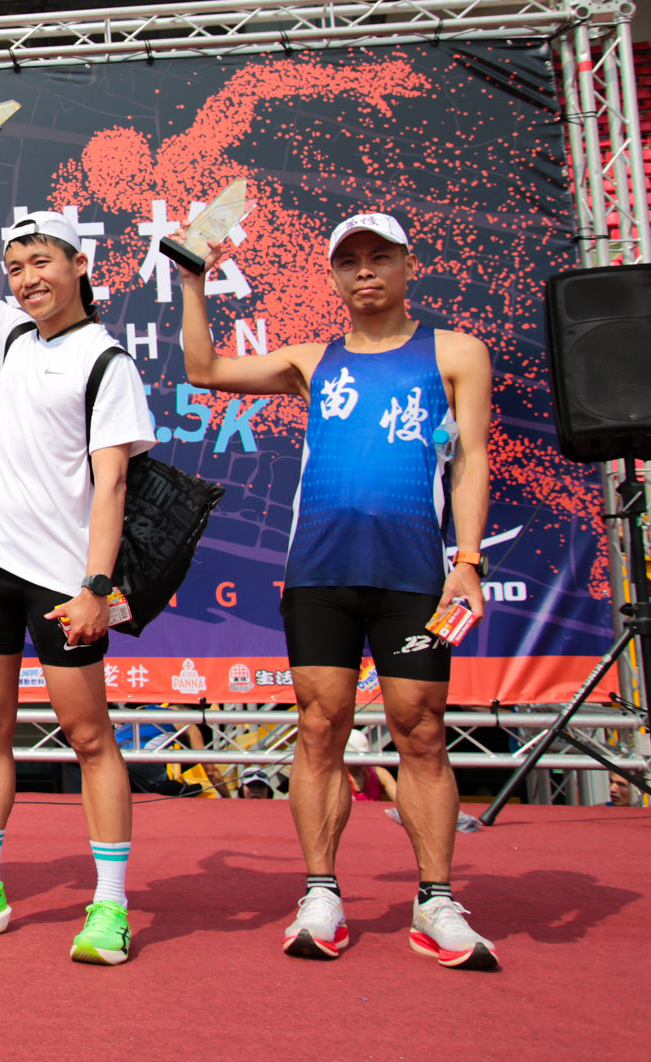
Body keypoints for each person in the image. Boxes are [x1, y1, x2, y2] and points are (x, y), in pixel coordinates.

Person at [176, 211, 498, 970]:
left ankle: (435, 899)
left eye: (379, 257)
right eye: (349, 261)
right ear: (332, 276)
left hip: (413, 575)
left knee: (421, 728)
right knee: (320, 726)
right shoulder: (311, 361)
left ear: (409, 264)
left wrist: (469, 560)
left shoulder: (456, 352)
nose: (365, 271)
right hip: (320, 572)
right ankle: (320, 891)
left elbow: (472, 459)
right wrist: (193, 279)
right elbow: (205, 370)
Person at [0, 127, 157, 965]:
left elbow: (112, 486)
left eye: (41, 261)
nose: (25, 278)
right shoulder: (12, 337)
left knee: (89, 738)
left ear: (79, 265)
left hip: (62, 580)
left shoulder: (108, 362)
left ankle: (110, 903)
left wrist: (97, 586)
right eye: (16, 266)